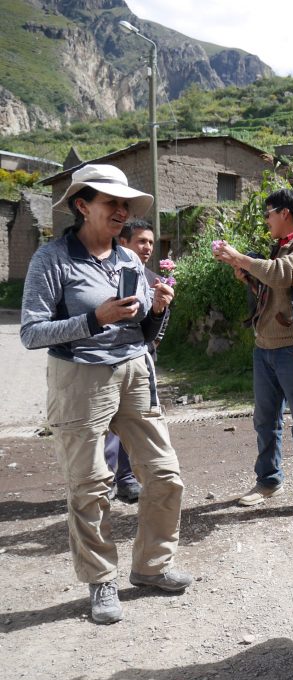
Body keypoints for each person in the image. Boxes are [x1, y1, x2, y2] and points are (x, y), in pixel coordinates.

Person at [20, 164, 192, 625]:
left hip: (134, 370)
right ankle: (101, 581)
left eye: (126, 205)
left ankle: (152, 568)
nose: (122, 211)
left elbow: (142, 328)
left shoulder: (128, 260)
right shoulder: (51, 259)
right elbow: (32, 333)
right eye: (112, 203)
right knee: (90, 485)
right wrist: (94, 319)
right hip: (79, 378)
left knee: (165, 475)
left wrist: (156, 312)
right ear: (82, 206)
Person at [212, 189, 293, 522]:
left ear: (286, 213)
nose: (266, 220)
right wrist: (250, 276)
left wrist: (242, 259)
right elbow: (274, 290)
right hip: (265, 346)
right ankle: (268, 481)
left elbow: (285, 274)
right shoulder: (281, 246)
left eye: (269, 213)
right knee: (265, 420)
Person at [103, 219, 169, 504]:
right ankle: (103, 479)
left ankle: (127, 478)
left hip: (141, 360)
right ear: (123, 243)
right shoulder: (106, 276)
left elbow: (158, 324)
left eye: (151, 243)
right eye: (142, 241)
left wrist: (153, 336)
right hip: (105, 362)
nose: (147, 248)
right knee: (106, 427)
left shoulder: (154, 279)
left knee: (134, 423)